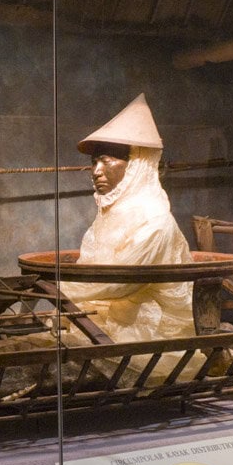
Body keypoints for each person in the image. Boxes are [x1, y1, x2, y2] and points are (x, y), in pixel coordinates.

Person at [59, 93, 200, 382]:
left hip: (150, 336)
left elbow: (120, 281)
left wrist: (57, 288)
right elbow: (91, 267)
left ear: (136, 164)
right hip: (106, 322)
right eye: (94, 163)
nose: (96, 172)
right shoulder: (109, 218)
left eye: (106, 161)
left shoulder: (155, 220)